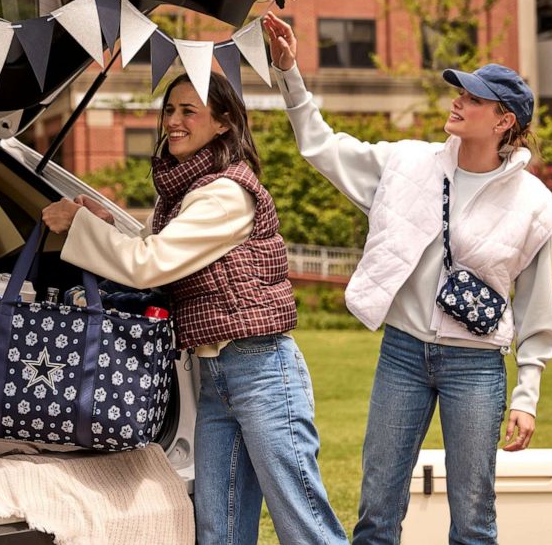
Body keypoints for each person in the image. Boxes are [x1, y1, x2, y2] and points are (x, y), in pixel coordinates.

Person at [263, 13, 552, 545]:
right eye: (460, 92)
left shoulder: (534, 205)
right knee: (377, 513)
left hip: (475, 365)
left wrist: (527, 394)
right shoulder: (406, 164)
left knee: (473, 521)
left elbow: (538, 306)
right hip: (402, 353)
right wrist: (290, 75)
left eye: (473, 98)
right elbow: (322, 148)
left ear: (504, 121)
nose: (458, 101)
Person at [41, 72, 348, 544]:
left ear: (223, 123)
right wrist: (103, 222)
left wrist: (80, 223)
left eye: (189, 111)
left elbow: (151, 265)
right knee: (218, 529)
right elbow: (154, 247)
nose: (173, 121)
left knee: (302, 526)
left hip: (261, 370)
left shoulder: (225, 194)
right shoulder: (183, 196)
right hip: (214, 377)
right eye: (169, 110)